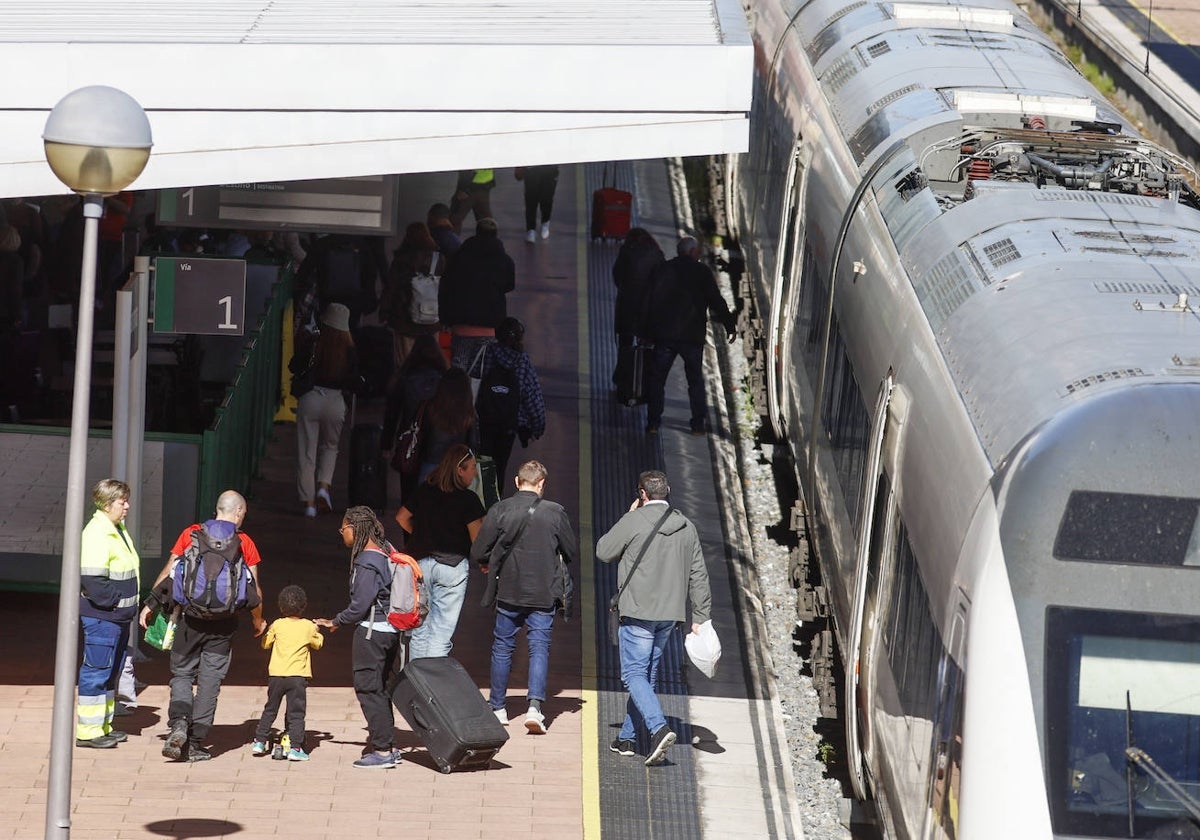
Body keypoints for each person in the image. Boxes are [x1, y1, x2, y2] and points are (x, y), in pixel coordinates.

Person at [139, 490, 267, 762]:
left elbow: (170, 572)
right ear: (240, 512)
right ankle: (196, 743)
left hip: (189, 620)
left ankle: (179, 724)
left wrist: (151, 603)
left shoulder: (191, 534)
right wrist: (258, 620)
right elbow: (254, 589)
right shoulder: (245, 542)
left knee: (182, 674)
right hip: (224, 626)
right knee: (210, 681)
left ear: (217, 509)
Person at [595, 470, 711, 766]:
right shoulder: (687, 527)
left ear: (642, 493)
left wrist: (626, 517)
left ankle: (658, 729)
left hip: (638, 612)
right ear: (668, 490)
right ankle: (627, 738)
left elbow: (604, 551)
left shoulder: (634, 520)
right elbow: (698, 574)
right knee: (645, 676)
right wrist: (700, 615)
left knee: (633, 674)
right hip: (669, 615)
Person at [470, 461, 578, 733]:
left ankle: (498, 708)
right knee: (539, 648)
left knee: (503, 647)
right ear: (542, 484)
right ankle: (534, 708)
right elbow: (571, 551)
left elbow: (479, 550)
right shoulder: (555, 513)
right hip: (544, 593)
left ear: (518, 482)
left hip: (508, 590)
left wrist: (488, 561)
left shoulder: (500, 509)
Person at [315, 506, 403, 768]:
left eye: (344, 529)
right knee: (382, 689)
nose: (342, 534)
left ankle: (383, 751)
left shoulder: (367, 560)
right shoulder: (386, 548)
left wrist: (336, 621)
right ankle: (388, 743)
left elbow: (360, 605)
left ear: (355, 528)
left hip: (371, 634)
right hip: (391, 631)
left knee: (368, 688)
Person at [396, 444, 486, 660]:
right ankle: (433, 688)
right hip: (451, 567)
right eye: (472, 468)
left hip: (420, 566)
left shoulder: (425, 490)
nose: (475, 472)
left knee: (419, 631)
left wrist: (419, 535)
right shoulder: (469, 500)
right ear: (459, 470)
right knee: (441, 633)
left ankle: (416, 686)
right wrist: (485, 561)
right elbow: (478, 540)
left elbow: (401, 517)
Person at [642, 236, 736, 435]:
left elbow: (649, 302)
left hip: (665, 336)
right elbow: (716, 301)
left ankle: (653, 423)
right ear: (692, 252)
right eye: (698, 249)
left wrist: (646, 332)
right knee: (695, 381)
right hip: (692, 337)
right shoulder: (702, 272)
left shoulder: (663, 269)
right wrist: (730, 325)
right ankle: (698, 425)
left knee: (657, 379)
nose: (700, 252)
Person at [76, 478, 139, 749]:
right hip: (104, 617)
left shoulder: (116, 528)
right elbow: (93, 580)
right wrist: (114, 603)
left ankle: (103, 726)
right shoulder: (97, 533)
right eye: (122, 501)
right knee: (97, 671)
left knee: (109, 671)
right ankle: (89, 732)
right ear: (106, 503)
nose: (127, 506)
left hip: (116, 617)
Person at [291, 302, 359, 518]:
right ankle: (324, 487)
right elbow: (354, 380)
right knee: (330, 446)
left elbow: (294, 366)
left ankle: (309, 504)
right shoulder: (350, 350)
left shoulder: (314, 343)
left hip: (311, 397)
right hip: (335, 401)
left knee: (306, 452)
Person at [251, 585, 324, 762]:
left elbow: (266, 644)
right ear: (303, 606)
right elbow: (318, 644)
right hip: (297, 677)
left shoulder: (277, 624)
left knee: (270, 708)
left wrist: (265, 631)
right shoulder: (307, 626)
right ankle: (296, 747)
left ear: (281, 606)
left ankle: (260, 741)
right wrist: (318, 633)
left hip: (276, 675)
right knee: (296, 712)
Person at [438, 217, 515, 371]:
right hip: (491, 326)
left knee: (459, 370)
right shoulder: (505, 260)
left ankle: (461, 394)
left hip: (461, 325)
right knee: (485, 371)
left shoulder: (459, 257)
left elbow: (445, 287)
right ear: (495, 234)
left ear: (477, 232)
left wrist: (444, 319)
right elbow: (509, 286)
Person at [475, 317, 546, 482]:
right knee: (499, 465)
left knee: (481, 461)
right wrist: (537, 427)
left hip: (482, 420)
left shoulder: (486, 353)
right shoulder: (522, 361)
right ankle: (494, 500)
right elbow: (532, 396)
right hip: (507, 424)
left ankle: (478, 496)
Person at [381, 334, 448, 504]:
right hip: (437, 441)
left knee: (408, 492)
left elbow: (392, 414)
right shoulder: (445, 380)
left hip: (409, 439)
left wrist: (386, 444)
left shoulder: (404, 379)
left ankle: (410, 526)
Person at [379, 222, 443, 372]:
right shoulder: (438, 260)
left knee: (404, 364)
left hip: (404, 322)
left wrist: (384, 311)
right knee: (431, 361)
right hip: (432, 321)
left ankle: (406, 390)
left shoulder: (402, 260)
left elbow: (392, 288)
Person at [611, 228, 665, 376]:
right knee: (646, 345)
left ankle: (622, 375)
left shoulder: (627, 251)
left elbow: (617, 275)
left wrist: (625, 288)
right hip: (648, 308)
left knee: (624, 343)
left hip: (626, 305)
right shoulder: (657, 254)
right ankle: (641, 378)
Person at [417, 367, 477, 483]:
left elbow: (422, 434)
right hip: (456, 465)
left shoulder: (430, 407)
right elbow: (472, 443)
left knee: (426, 497)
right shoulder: (468, 411)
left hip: (431, 460)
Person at [516, 165, 560, 243]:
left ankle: (545, 222)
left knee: (547, 198)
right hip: (531, 167)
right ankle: (531, 229)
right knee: (531, 199)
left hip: (549, 167)